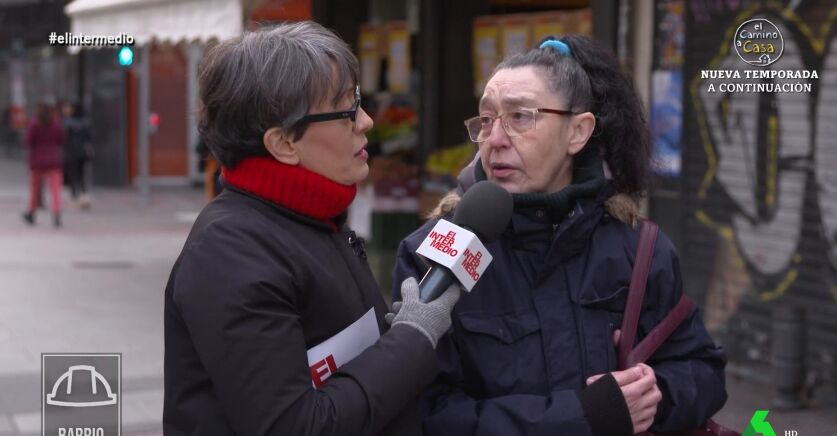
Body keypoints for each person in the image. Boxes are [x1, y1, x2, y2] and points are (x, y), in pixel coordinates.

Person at [392, 35, 727, 436]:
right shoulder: (432, 254)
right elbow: (422, 414)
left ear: (578, 132)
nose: (495, 140)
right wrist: (582, 418)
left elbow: (703, 370)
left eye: (520, 117)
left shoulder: (638, 249)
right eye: (486, 119)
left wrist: (652, 394)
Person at [163, 22, 461, 436]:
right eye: (346, 111)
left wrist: (397, 337)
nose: (366, 121)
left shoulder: (314, 216)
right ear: (283, 143)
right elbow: (296, 425)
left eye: (358, 101)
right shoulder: (229, 253)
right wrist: (411, 339)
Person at [22, 102, 64, 228]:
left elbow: (28, 140)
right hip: (53, 160)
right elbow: (61, 139)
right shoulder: (56, 124)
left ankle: (32, 213)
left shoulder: (34, 123)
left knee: (35, 189)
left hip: (38, 160)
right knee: (55, 189)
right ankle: (56, 213)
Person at [62, 102, 94, 209]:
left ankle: (74, 197)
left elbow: (64, 138)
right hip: (82, 152)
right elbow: (90, 138)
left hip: (71, 152)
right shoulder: (86, 123)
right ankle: (84, 196)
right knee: (81, 175)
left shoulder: (68, 122)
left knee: (72, 175)